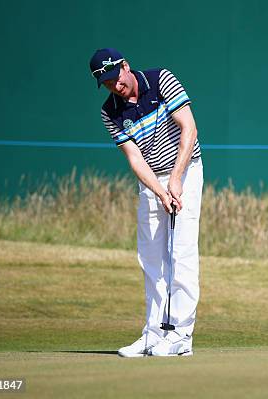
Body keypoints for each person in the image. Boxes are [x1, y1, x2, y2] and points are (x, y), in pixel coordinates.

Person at [89, 48, 203, 357]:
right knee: (151, 259)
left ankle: (180, 336)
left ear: (125, 66)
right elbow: (135, 158)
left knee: (181, 254)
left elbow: (188, 128)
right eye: (108, 83)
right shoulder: (109, 111)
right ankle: (154, 334)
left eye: (116, 78)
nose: (115, 86)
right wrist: (159, 190)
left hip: (186, 172)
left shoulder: (161, 80)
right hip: (152, 182)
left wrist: (176, 180)